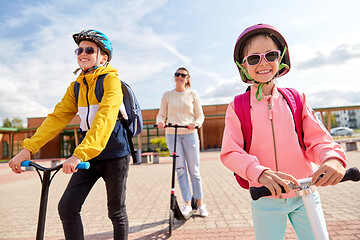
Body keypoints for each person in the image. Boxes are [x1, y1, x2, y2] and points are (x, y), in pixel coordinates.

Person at [220, 23, 347, 239]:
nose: (263, 63)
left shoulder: (297, 99)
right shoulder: (238, 106)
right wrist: (258, 172)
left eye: (271, 55)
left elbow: (318, 140)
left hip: (305, 193)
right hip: (265, 196)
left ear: (281, 58)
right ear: (243, 66)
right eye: (253, 58)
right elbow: (231, 152)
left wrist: (333, 159)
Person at [8, 29, 130, 240]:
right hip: (87, 155)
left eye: (89, 50)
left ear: (104, 57)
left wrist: (79, 154)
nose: (83, 53)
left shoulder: (111, 82)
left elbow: (105, 120)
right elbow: (56, 119)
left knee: (116, 211)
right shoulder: (76, 87)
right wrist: (28, 149)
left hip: (114, 153)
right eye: (79, 50)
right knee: (67, 207)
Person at [156, 67, 208, 217]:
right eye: (177, 74)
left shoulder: (193, 94)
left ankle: (200, 203)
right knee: (180, 169)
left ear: (187, 78)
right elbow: (161, 115)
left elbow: (200, 116)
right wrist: (160, 122)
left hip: (190, 134)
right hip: (172, 134)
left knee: (194, 170)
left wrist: (196, 124)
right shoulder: (167, 95)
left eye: (183, 75)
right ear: (174, 77)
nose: (179, 77)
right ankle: (186, 204)